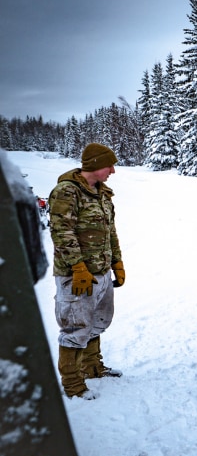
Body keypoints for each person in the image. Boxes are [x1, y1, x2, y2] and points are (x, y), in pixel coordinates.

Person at [48, 142, 125, 400]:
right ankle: (72, 384)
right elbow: (61, 232)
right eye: (109, 165)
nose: (113, 170)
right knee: (75, 328)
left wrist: (117, 263)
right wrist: (78, 266)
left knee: (100, 321)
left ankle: (91, 367)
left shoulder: (102, 194)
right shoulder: (67, 192)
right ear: (94, 165)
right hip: (76, 275)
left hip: (101, 272)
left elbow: (110, 232)